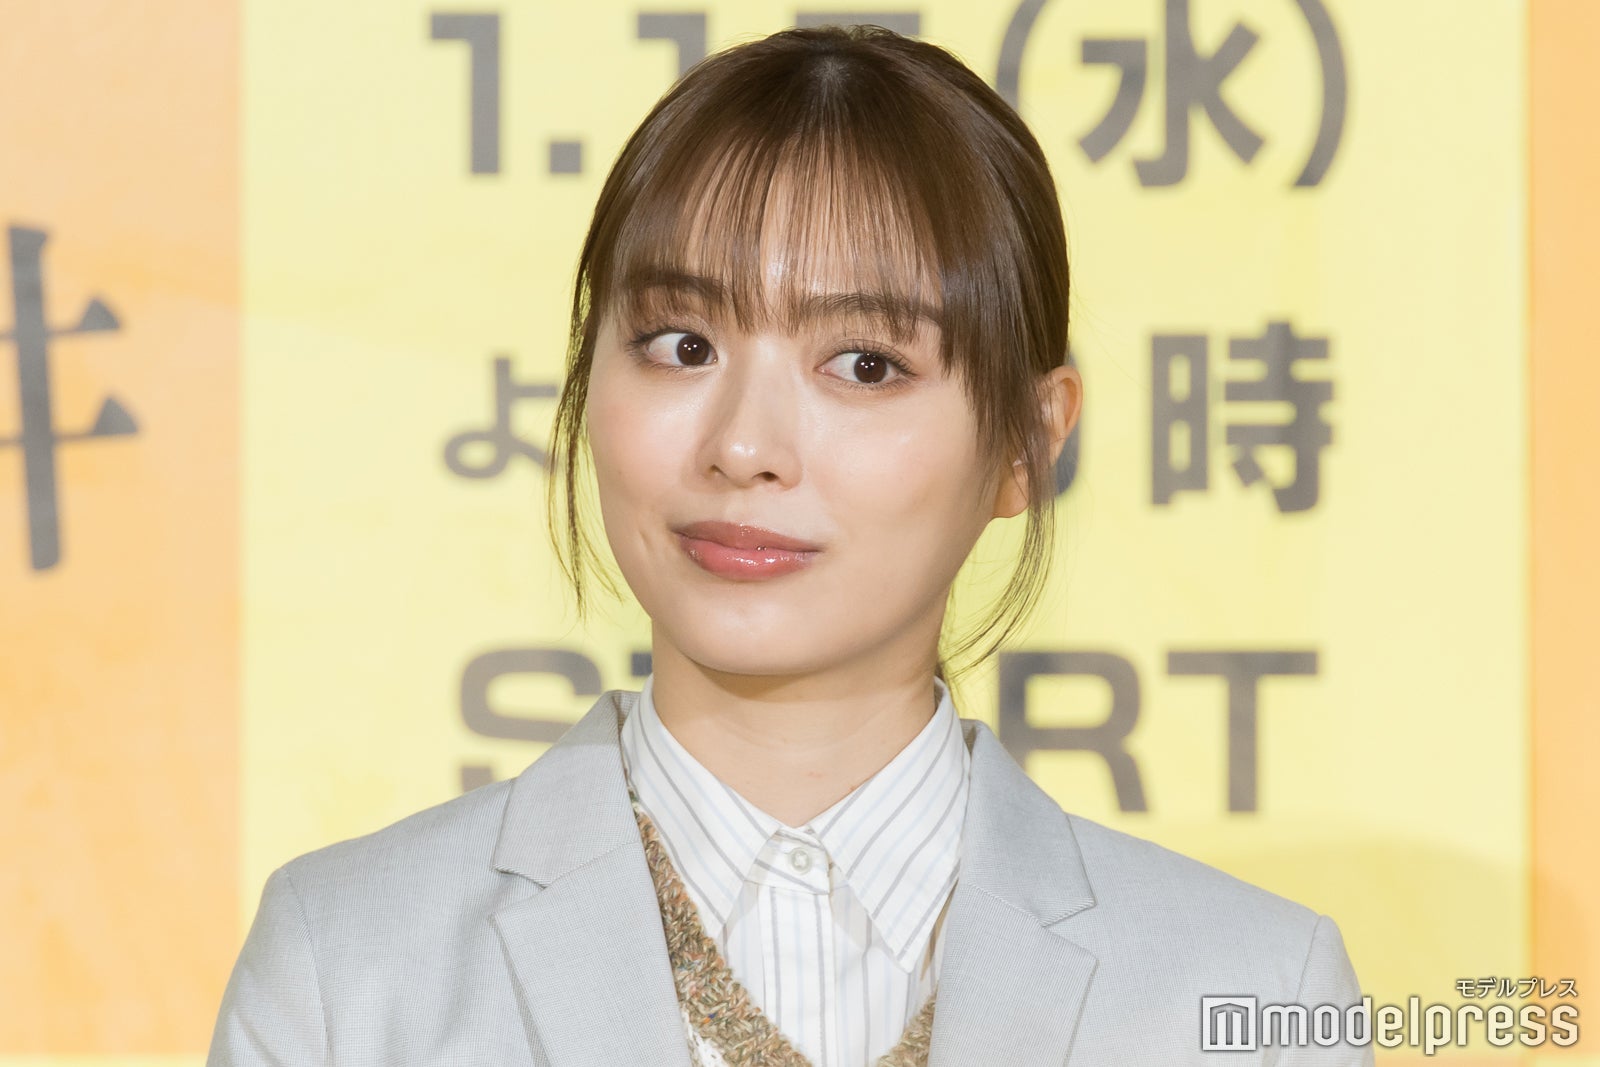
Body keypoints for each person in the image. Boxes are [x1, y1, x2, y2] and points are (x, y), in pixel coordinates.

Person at [208, 24, 1370, 1067]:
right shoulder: (346, 969)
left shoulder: (1249, 991)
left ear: (1028, 441)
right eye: (680, 343)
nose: (743, 446)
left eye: (864, 364)